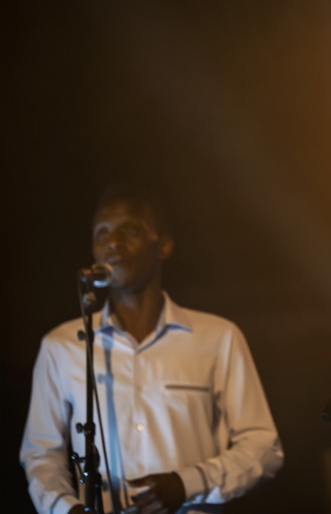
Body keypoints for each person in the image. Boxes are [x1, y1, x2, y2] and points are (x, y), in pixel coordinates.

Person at [20, 184, 283, 514]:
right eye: (101, 235)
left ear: (164, 244)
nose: (113, 242)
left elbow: (263, 445)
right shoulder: (62, 346)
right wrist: (65, 508)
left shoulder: (218, 337)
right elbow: (41, 453)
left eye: (129, 230)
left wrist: (188, 483)